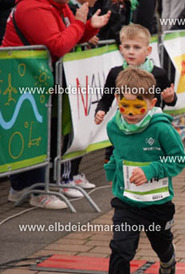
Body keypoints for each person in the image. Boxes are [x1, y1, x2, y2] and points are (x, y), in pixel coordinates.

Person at [3, 0, 110, 209]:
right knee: (33, 132)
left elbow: (69, 38)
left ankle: (25, 188)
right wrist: (79, 23)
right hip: (22, 80)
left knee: (43, 130)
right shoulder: (32, 7)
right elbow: (58, 46)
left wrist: (88, 27)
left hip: (37, 79)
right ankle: (35, 191)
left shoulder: (59, 6)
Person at [103, 67, 185, 274]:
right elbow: (118, 152)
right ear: (117, 99)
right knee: (120, 248)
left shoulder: (161, 129)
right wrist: (112, 169)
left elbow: (179, 159)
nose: (129, 113)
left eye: (137, 106)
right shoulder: (114, 127)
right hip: (126, 201)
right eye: (124, 105)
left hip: (157, 203)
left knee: (160, 242)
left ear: (152, 103)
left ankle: (167, 257)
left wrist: (151, 170)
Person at [95, 24, 177, 162]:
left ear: (148, 50)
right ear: (121, 49)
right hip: (124, 127)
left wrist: (170, 98)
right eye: (127, 47)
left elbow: (173, 100)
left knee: (149, 164)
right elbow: (106, 99)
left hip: (151, 129)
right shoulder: (115, 73)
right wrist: (100, 111)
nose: (131, 52)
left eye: (137, 47)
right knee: (119, 164)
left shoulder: (158, 74)